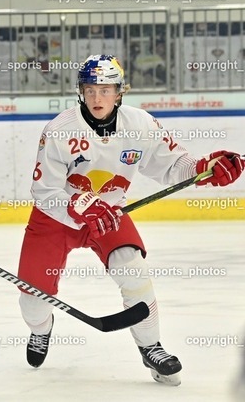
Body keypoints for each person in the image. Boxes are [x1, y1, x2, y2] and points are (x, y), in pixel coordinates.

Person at [17, 54, 244, 386]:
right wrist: (80, 205)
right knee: (33, 301)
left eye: (106, 90)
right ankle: (41, 329)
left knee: (134, 272)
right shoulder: (59, 130)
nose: (97, 98)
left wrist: (202, 169)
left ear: (119, 93)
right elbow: (45, 191)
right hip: (57, 218)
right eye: (90, 89)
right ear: (80, 91)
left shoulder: (141, 124)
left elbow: (173, 164)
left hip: (109, 215)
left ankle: (151, 346)